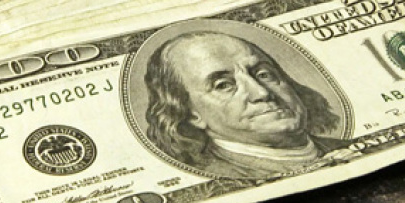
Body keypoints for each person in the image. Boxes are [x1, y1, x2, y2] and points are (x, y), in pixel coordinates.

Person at [144, 30, 357, 179]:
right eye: (224, 85)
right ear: (191, 114)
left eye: (264, 74)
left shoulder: (353, 150)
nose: (262, 92)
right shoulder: (220, 177)